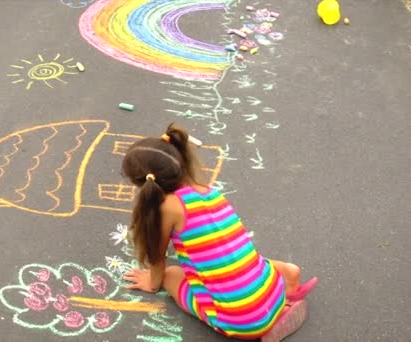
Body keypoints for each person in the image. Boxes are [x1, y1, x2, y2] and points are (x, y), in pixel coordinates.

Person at [121, 123, 317, 341]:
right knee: (236, 259)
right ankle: (285, 276)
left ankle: (261, 326)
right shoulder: (208, 191)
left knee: (172, 274)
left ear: (143, 184)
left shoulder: (166, 207)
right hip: (273, 287)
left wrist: (153, 282)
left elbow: (158, 257)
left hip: (241, 320)